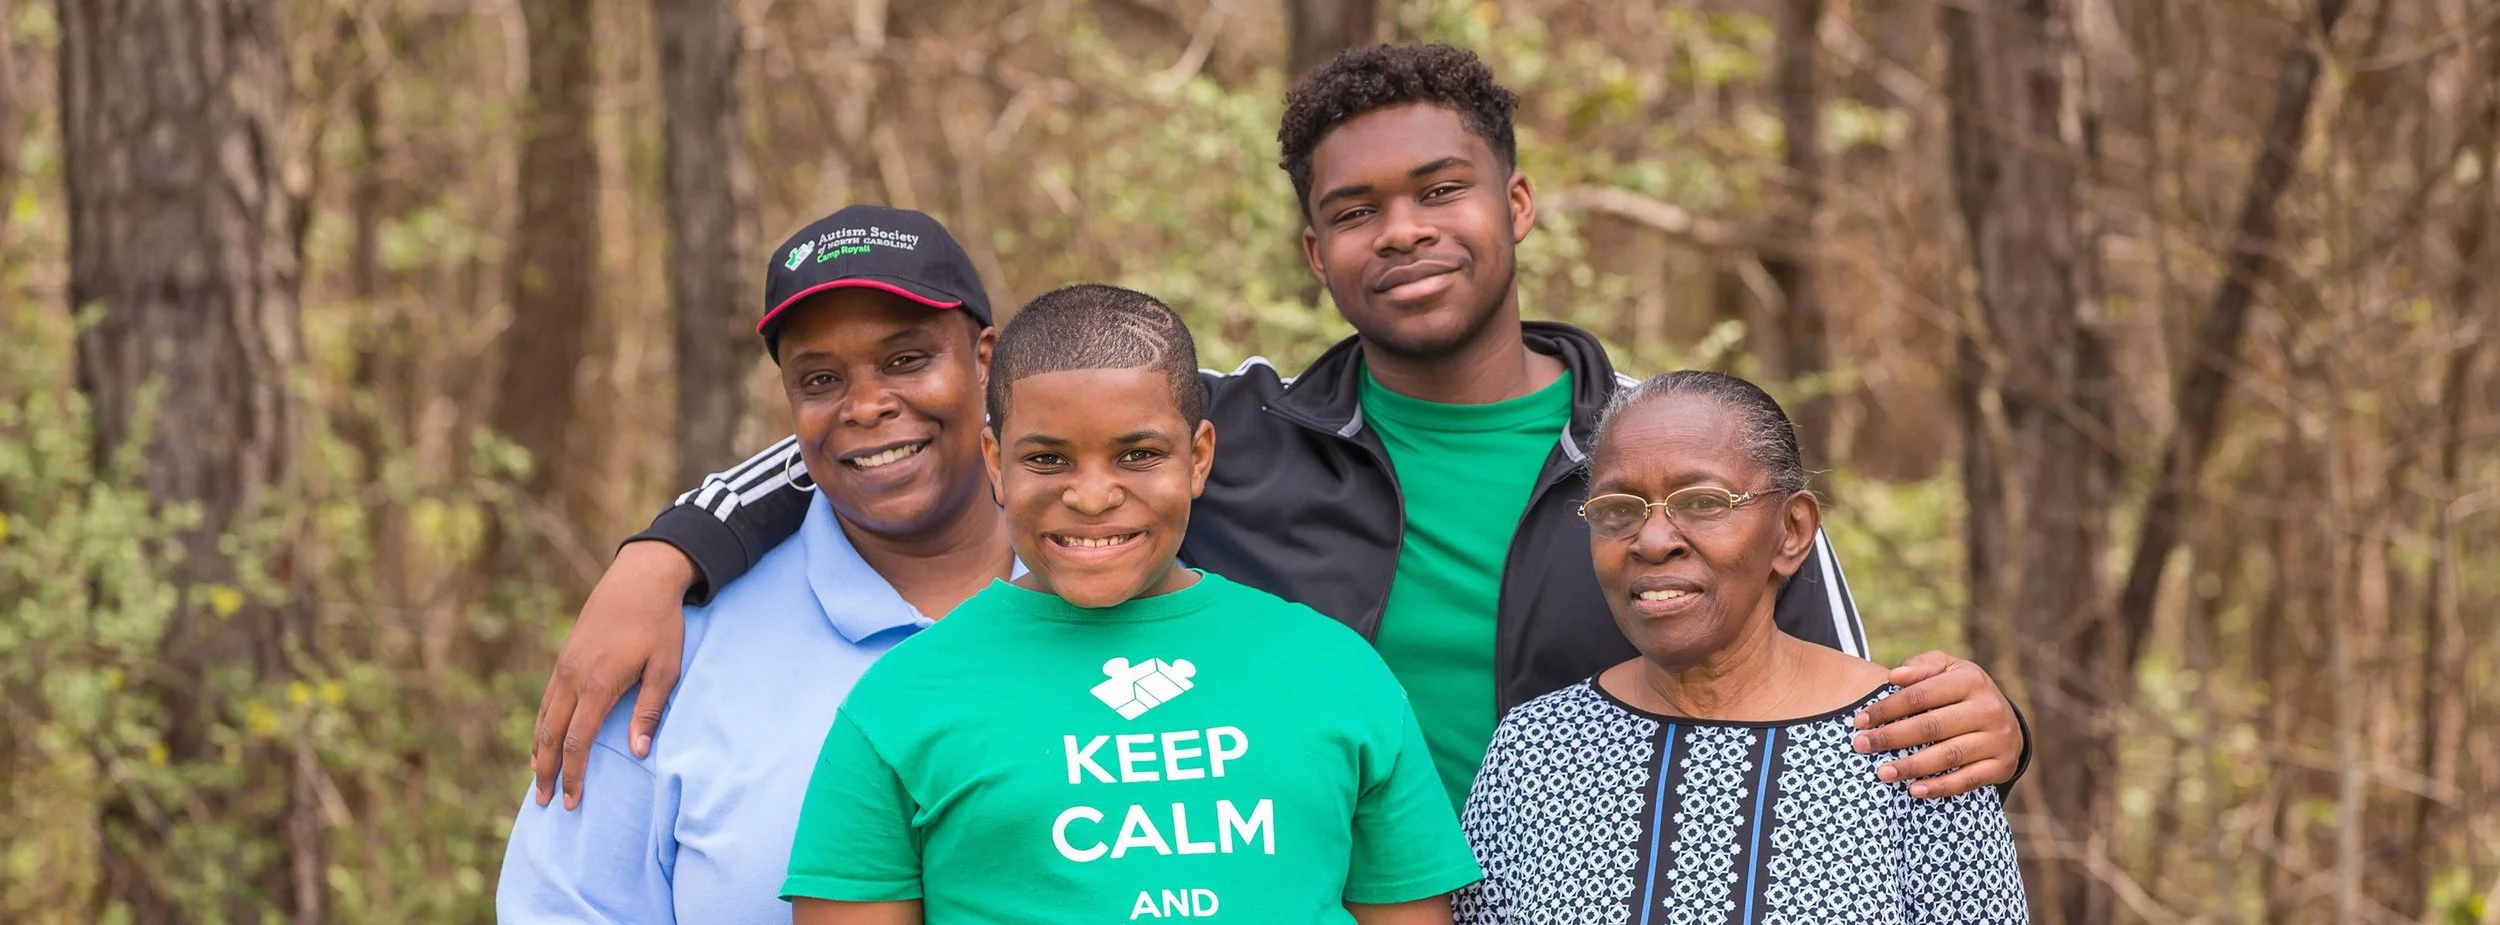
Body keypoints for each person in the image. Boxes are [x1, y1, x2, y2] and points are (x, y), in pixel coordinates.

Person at [527, 43, 2027, 816]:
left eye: (1442, 190)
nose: (1405, 234)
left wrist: (1991, 737)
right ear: (1314, 252)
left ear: (1513, 206)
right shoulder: (1227, 435)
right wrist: (668, 547)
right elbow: (938, 421)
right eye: (1353, 211)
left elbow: (1844, 699)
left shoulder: (1656, 465)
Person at [783, 284, 1480, 924]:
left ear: (1199, 457)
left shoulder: (1335, 670)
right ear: (996, 462)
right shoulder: (903, 699)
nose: (1091, 496)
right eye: (1048, 459)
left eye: (1138, 454)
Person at [496, 205, 1022, 923]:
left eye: (906, 360)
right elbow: (563, 906)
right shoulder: (666, 652)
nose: (865, 406)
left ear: (985, 361)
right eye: (819, 379)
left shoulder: (1114, 599)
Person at [1452, 371, 2028, 924]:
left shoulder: (1911, 742)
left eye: (1704, 502)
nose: (1652, 541)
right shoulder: (1536, 752)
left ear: (1792, 531)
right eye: (1618, 510)